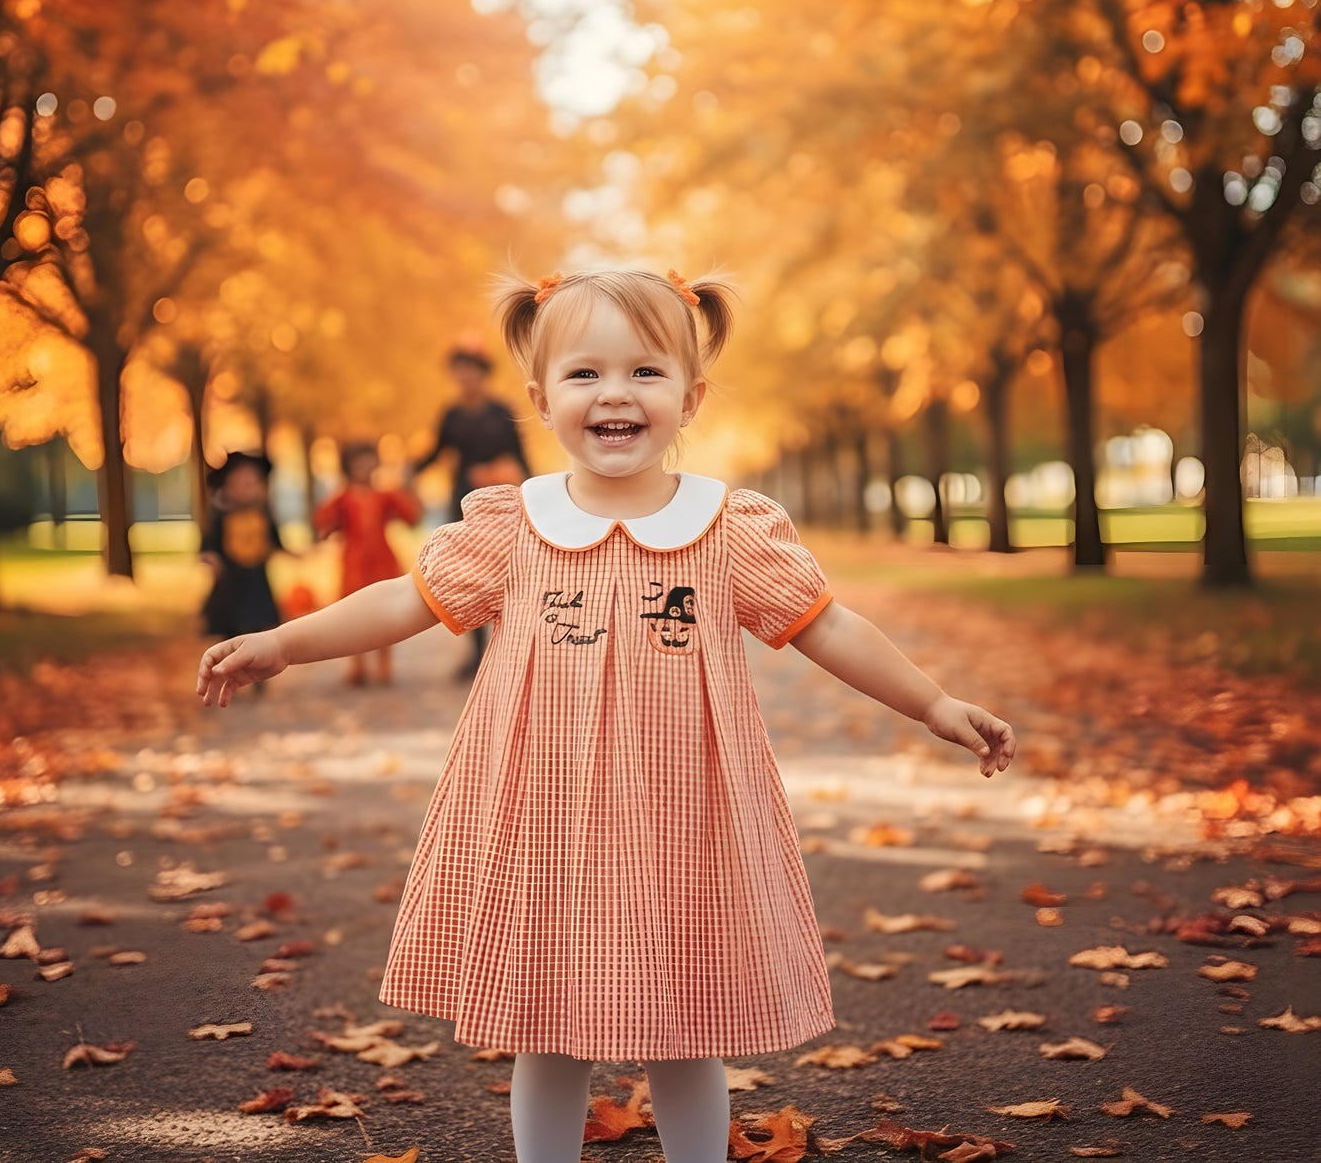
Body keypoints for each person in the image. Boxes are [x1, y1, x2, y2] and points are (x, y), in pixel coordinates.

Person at [195, 266, 1017, 1163]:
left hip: (684, 818)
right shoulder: (513, 526)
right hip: (546, 813)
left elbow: (829, 627)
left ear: (690, 396)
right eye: (584, 373)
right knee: (547, 1025)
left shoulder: (726, 528)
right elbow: (401, 601)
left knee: (686, 1026)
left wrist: (932, 702)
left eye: (645, 372)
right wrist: (283, 642)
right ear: (541, 398)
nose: (613, 393)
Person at [411, 341, 530, 678]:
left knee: (505, 573)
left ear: (482, 373)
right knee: (468, 576)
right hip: (463, 500)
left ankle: (506, 649)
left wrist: (537, 491)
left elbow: (521, 457)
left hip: (500, 501)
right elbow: (437, 452)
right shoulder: (451, 414)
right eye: (458, 371)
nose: (464, 377)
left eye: (470, 370)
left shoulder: (501, 412)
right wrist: (410, 471)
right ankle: (476, 652)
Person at [312, 440, 422, 686]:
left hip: (382, 560)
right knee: (353, 614)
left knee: (387, 613)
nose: (363, 467)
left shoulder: (385, 495)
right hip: (354, 563)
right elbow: (323, 525)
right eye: (358, 462)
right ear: (348, 467)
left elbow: (411, 516)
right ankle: (357, 665)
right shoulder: (343, 497)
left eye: (367, 460)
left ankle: (384, 665)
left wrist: (407, 488)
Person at [198, 451, 285, 694]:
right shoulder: (221, 515)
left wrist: (288, 551)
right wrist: (209, 557)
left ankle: (260, 673)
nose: (247, 489)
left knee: (259, 626)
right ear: (228, 486)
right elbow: (209, 542)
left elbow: (274, 539)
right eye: (240, 483)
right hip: (231, 583)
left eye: (252, 483)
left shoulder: (263, 513)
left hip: (257, 580)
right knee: (231, 628)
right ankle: (226, 670)